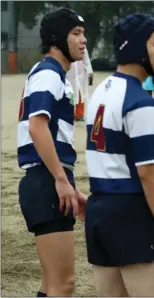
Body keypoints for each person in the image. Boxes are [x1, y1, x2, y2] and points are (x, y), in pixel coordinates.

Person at [84, 13, 154, 297]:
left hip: (99, 211)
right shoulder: (141, 103)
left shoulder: (101, 90)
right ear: (138, 48)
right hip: (131, 213)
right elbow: (148, 173)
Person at [16, 8, 88, 297]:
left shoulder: (53, 74)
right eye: (76, 33)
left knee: (53, 285)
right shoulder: (48, 73)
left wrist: (69, 183)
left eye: (83, 33)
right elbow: (37, 128)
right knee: (63, 285)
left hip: (47, 180)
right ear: (57, 38)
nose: (84, 40)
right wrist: (60, 179)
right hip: (44, 182)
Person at [67, 47, 94, 121]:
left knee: (80, 94)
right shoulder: (66, 44)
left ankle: (79, 114)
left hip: (80, 73)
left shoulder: (82, 45)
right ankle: (71, 114)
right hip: (70, 73)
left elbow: (86, 59)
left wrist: (89, 71)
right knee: (70, 94)